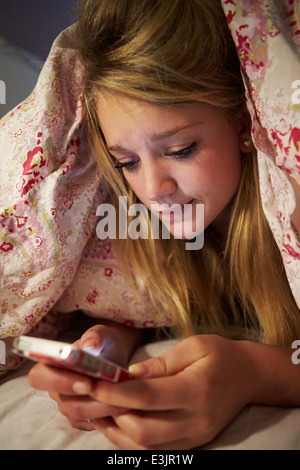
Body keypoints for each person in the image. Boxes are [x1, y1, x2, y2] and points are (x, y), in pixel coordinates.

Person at [1, 0, 300, 450]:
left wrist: (253, 372)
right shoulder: (128, 223)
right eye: (127, 162)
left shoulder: (288, 207)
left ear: (244, 121)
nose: (154, 188)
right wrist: (110, 341)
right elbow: (150, 302)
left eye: (180, 149)